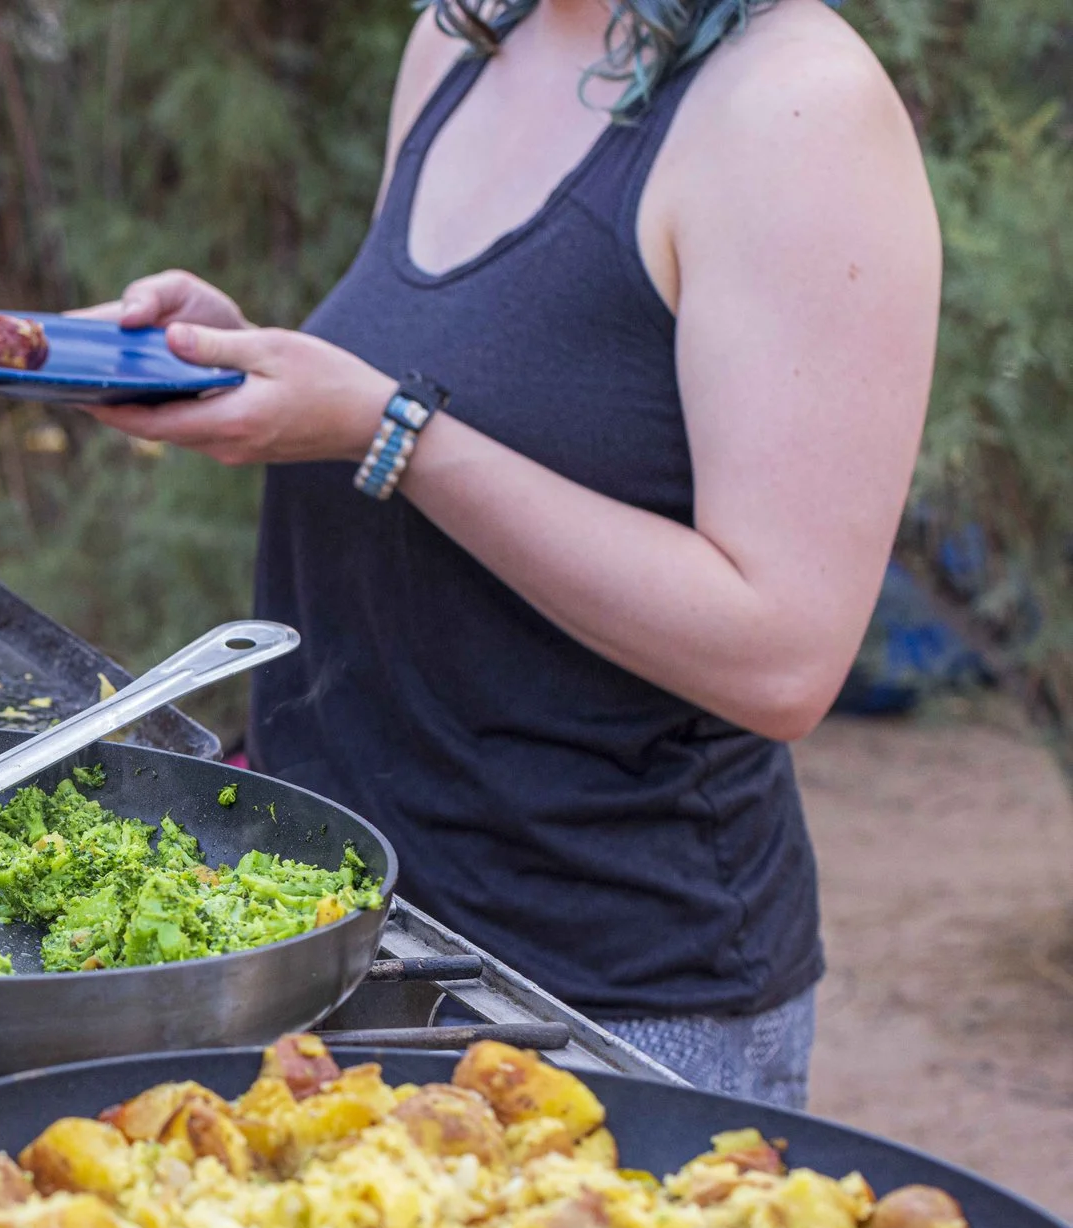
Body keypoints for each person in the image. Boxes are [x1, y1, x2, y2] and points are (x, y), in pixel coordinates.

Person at [83, 0, 938, 1109]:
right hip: (334, 934)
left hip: (598, 1009)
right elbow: (478, 386)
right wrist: (236, 363)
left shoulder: (797, 106)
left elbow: (780, 653)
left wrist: (391, 432)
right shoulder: (470, 34)